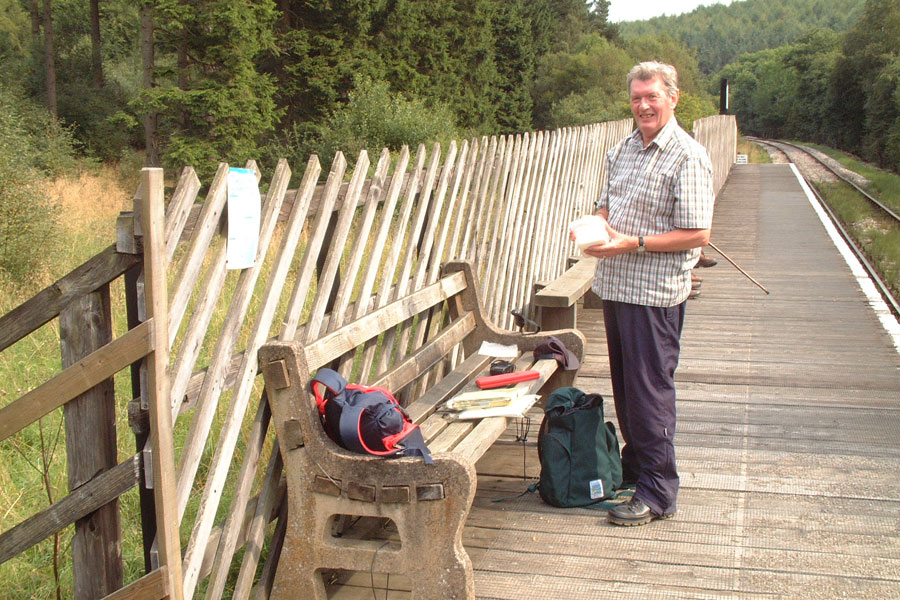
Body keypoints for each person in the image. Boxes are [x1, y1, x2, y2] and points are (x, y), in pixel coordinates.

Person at [582, 61, 715, 526]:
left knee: (650, 392)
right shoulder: (623, 149)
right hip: (617, 287)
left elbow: (698, 233)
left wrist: (631, 243)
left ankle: (658, 494)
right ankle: (638, 469)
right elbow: (607, 202)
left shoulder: (686, 155)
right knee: (627, 388)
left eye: (651, 97)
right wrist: (595, 224)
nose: (642, 105)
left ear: (672, 98)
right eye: (636, 97)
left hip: (655, 294)